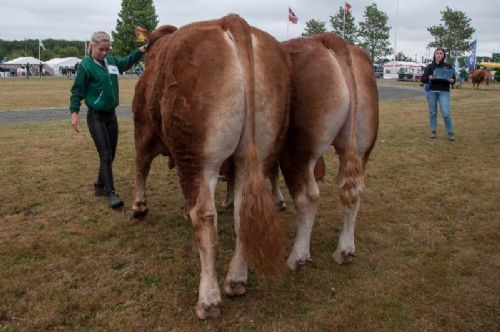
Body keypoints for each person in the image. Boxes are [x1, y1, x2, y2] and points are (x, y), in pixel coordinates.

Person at [69, 31, 147, 208]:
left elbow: (126, 62)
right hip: (96, 117)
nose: (105, 53)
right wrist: (74, 113)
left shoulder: (111, 61)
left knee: (110, 155)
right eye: (101, 50)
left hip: (111, 115)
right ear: (92, 47)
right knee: (104, 154)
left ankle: (99, 185)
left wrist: (142, 49)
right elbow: (77, 91)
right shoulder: (86, 66)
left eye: (107, 50)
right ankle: (111, 193)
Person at [421, 48, 456, 141]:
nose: (439, 55)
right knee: (432, 112)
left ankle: (450, 132)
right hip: (431, 91)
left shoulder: (448, 66)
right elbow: (423, 79)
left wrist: (451, 80)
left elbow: (453, 80)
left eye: (441, 53)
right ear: (434, 55)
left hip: (444, 91)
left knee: (445, 113)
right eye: (437, 53)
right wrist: (429, 78)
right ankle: (433, 131)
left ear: (443, 55)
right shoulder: (429, 66)